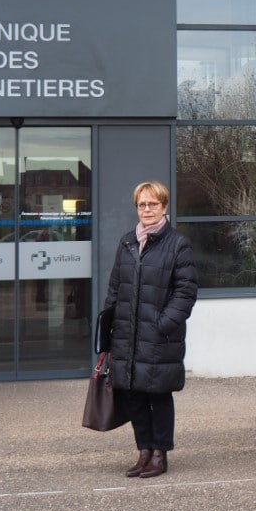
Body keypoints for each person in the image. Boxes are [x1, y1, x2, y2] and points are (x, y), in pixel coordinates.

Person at [99, 180, 198, 478]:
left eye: (153, 204)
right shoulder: (127, 242)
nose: (147, 209)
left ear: (164, 207)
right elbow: (115, 288)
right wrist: (108, 331)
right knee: (133, 396)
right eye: (142, 204)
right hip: (126, 335)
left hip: (158, 337)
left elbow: (186, 292)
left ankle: (159, 454)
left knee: (158, 395)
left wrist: (163, 324)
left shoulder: (177, 244)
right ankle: (144, 451)